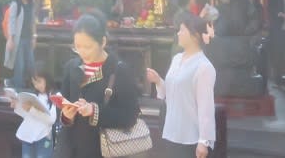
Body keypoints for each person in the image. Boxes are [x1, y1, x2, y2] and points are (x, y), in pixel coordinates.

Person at [56, 12, 140, 158]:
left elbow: (130, 116)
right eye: (77, 47)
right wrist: (66, 115)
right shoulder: (71, 67)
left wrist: (95, 111)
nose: (82, 52)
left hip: (103, 150)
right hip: (71, 149)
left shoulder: (119, 70)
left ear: (103, 42)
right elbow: (63, 106)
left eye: (88, 47)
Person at [147, 13, 216, 158]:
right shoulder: (177, 59)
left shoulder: (204, 67)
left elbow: (206, 108)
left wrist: (203, 141)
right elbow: (171, 93)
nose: (178, 33)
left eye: (182, 30)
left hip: (190, 137)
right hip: (171, 131)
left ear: (195, 35)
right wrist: (158, 81)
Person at [9, 61, 57, 158]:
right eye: (34, 83)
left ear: (47, 78)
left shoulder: (55, 96)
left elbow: (51, 120)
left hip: (43, 137)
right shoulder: (34, 95)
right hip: (28, 135)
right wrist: (17, 106)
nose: (37, 86)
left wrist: (32, 110)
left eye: (39, 82)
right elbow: (28, 116)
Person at [5, 0, 37, 89]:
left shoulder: (31, 4)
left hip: (28, 38)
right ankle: (18, 88)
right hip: (18, 39)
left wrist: (34, 37)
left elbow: (33, 21)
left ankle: (13, 82)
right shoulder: (16, 4)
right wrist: (10, 39)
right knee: (20, 65)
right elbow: (11, 22)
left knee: (31, 64)